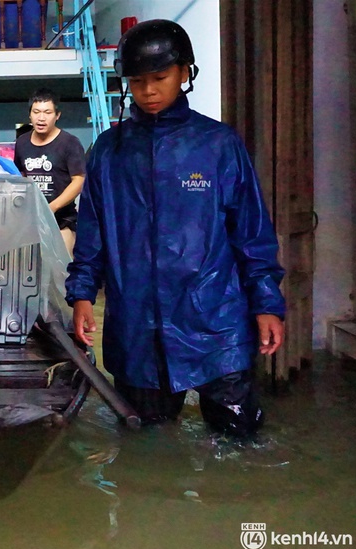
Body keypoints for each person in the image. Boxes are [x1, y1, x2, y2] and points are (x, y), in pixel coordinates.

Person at [65, 20, 286, 437]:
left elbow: (251, 233)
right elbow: (91, 237)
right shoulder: (108, 153)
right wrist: (80, 296)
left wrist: (267, 304)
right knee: (144, 441)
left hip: (216, 321)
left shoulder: (218, 145)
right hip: (136, 327)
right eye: (138, 81)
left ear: (185, 73)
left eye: (160, 78)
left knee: (238, 439)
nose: (148, 91)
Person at [13, 88, 86, 256]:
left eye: (47, 112)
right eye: (36, 112)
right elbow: (20, 175)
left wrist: (52, 207)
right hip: (30, 218)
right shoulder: (22, 142)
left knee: (64, 270)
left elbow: (79, 180)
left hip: (62, 220)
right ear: (30, 115)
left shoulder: (70, 143)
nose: (41, 118)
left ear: (57, 115)